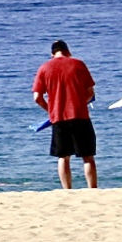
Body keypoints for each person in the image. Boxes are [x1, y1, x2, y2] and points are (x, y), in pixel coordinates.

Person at [32, 40, 98, 189]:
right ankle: (92, 189)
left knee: (63, 157)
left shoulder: (44, 68)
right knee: (88, 157)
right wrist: (80, 102)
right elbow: (90, 93)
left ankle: (67, 190)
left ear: (52, 53)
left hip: (59, 117)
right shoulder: (78, 64)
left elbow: (37, 97)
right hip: (80, 115)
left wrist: (51, 109)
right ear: (67, 51)